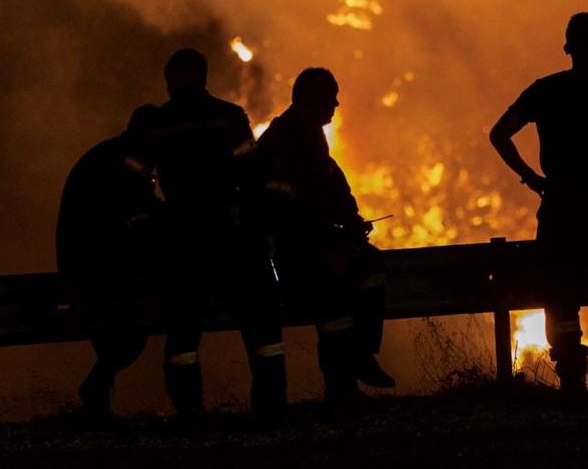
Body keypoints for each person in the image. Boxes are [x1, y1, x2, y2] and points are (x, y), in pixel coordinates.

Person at [490, 12, 588, 410]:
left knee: (560, 296)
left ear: (566, 47)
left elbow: (500, 134)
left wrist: (533, 178)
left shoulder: (545, 91)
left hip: (560, 203)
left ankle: (573, 382)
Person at [149, 47, 285, 426]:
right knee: (261, 324)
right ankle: (271, 407)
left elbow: (140, 179)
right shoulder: (228, 117)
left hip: (183, 239)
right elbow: (254, 171)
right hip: (230, 235)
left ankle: (190, 410)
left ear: (173, 79)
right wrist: (261, 226)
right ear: (203, 78)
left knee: (183, 334)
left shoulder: (158, 123)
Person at [258, 67, 394, 411]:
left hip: (319, 245)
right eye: (330, 96)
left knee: (372, 263)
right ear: (310, 99)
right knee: (335, 300)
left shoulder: (312, 137)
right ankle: (341, 390)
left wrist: (350, 219)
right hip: (291, 255)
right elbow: (281, 210)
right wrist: (321, 247)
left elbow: (331, 180)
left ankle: (362, 357)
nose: (336, 103)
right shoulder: (279, 143)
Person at [56, 104, 163, 423]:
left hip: (87, 264)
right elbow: (141, 215)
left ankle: (97, 392)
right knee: (134, 328)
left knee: (130, 333)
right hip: (94, 268)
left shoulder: (112, 154)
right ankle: (96, 390)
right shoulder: (129, 163)